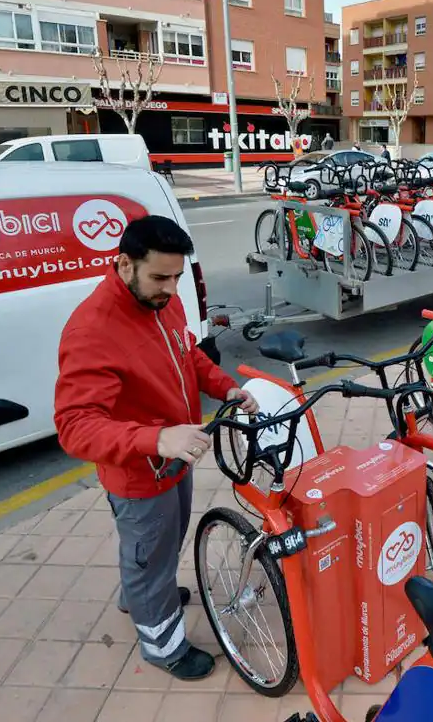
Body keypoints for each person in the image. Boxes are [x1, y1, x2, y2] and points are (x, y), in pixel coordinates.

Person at [54, 215, 259, 681]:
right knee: (149, 549)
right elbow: (74, 426)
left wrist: (226, 388)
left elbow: (188, 355)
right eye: (159, 277)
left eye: (177, 277)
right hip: (139, 473)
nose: (170, 288)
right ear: (124, 264)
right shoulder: (92, 330)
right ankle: (162, 644)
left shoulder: (161, 302)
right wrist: (157, 437)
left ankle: (142, 594)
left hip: (174, 459)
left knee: (158, 547)